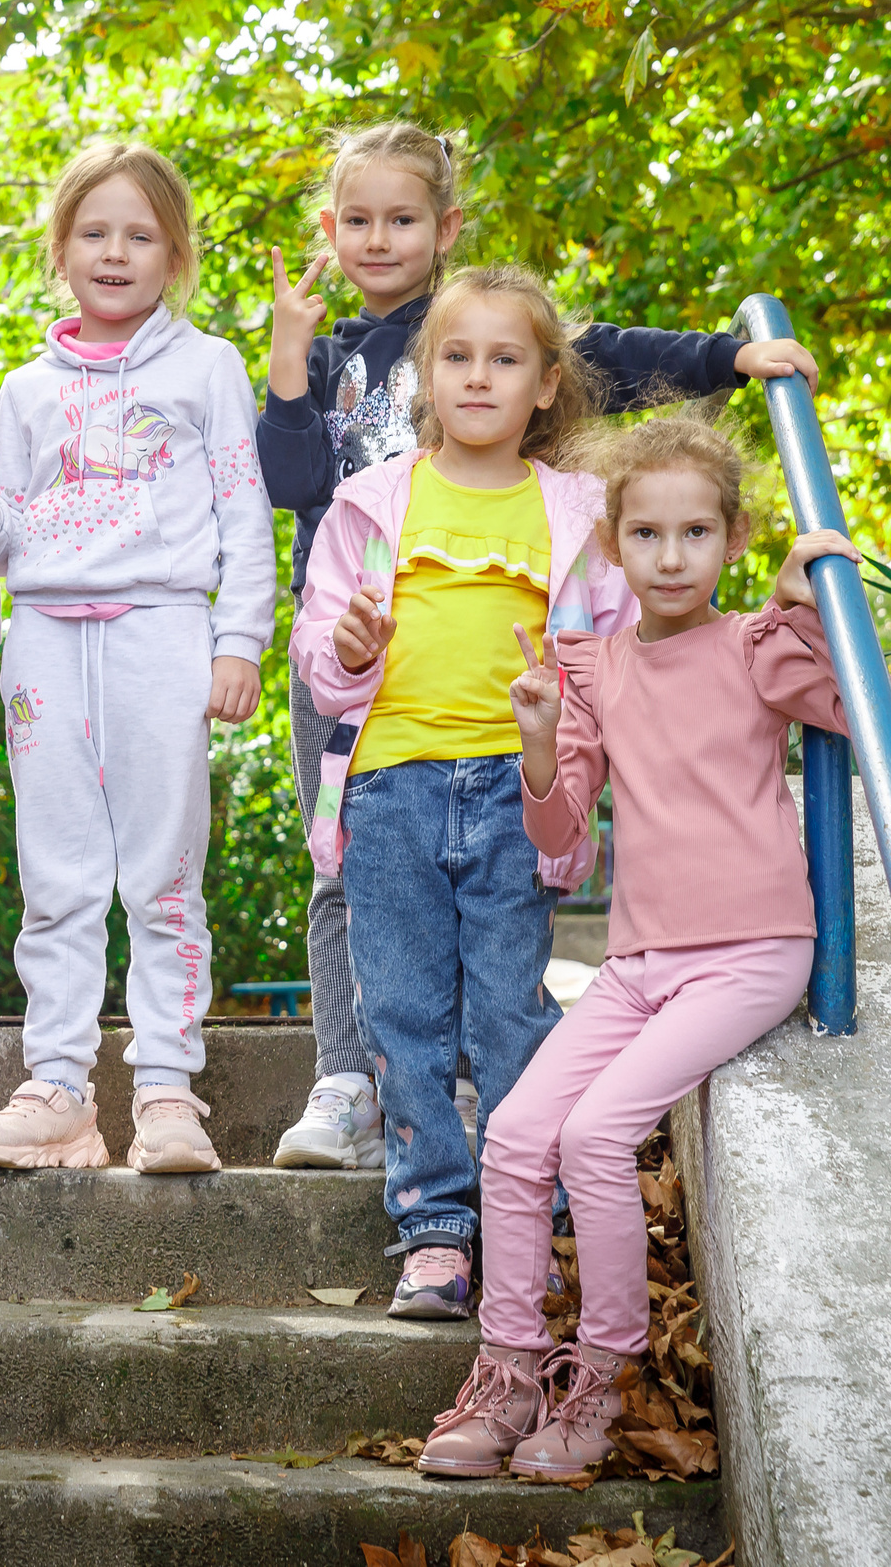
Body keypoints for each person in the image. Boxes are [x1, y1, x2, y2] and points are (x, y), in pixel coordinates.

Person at [254, 122, 820, 1174]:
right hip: (351, 651)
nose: (378, 239)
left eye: (402, 218)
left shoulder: (480, 322)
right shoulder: (326, 354)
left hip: (495, 677)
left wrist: (730, 359)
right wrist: (290, 354)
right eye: (357, 220)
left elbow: (614, 355)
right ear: (329, 231)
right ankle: (347, 1079)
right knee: (345, 875)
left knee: (494, 889)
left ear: (446, 228)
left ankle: (481, 1088)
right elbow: (289, 482)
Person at [417, 414, 867, 1479]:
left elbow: (871, 719)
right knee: (515, 1132)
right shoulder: (595, 668)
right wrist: (537, 742)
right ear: (613, 545)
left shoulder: (754, 647)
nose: (672, 557)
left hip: (751, 950)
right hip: (637, 965)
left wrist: (813, 613)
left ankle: (600, 1384)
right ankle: (508, 1373)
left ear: (734, 537)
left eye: (696, 532)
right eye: (648, 534)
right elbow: (558, 837)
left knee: (595, 1135)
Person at [291, 264, 631, 1318]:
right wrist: (351, 648)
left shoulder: (578, 512)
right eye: (457, 356)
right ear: (425, 377)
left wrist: (574, 731)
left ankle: (524, 1214)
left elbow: (621, 654)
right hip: (391, 784)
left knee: (508, 1012)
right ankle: (434, 1228)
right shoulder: (372, 501)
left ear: (545, 384)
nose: (478, 377)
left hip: (514, 792)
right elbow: (319, 655)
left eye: (505, 358)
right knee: (401, 1013)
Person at [0, 139, 274, 1174]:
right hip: (44, 644)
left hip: (161, 635)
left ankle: (167, 1089)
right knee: (57, 879)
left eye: (140, 236)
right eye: (94, 233)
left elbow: (243, 510)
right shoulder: (25, 387)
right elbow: (1, 549)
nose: (115, 253)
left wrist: (239, 640)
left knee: (164, 877)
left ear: (174, 256)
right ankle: (60, 1090)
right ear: (61, 248)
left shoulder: (207, 366)